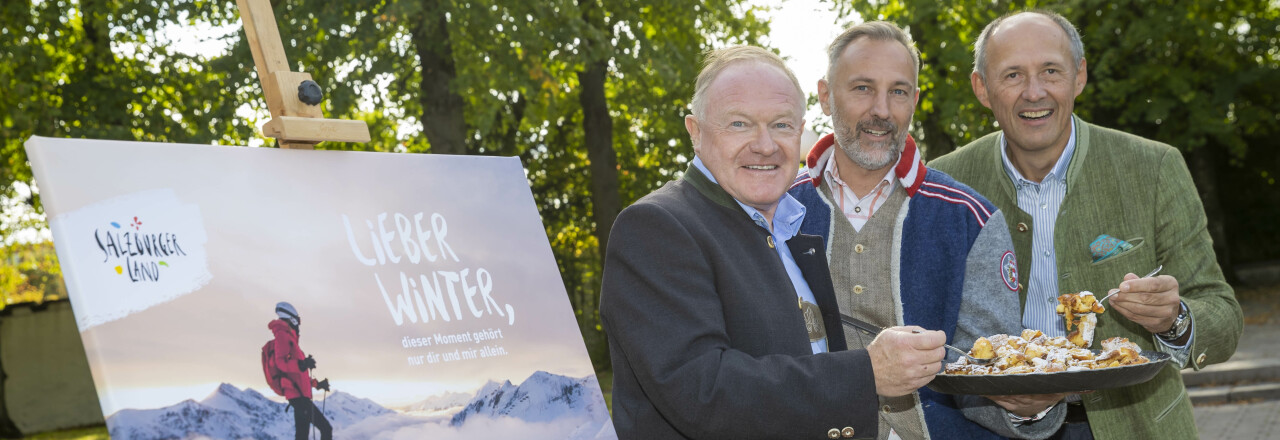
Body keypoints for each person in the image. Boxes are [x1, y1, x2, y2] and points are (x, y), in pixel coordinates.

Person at [599, 45, 949, 440]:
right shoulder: (657, 226)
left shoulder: (790, 231)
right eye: (739, 124)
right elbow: (701, 392)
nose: (765, 145)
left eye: (782, 125)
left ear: (801, 132)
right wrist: (868, 371)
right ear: (695, 133)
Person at [930, 10, 1243, 439]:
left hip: (1138, 426)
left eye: (1051, 71)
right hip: (996, 428)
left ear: (1079, 76)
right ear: (982, 88)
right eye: (1013, 75)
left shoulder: (1153, 167)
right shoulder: (946, 185)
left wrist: (1175, 319)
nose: (1034, 92)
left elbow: (1222, 315)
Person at [787, 21, 1059, 440]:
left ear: (914, 100)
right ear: (825, 96)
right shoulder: (773, 211)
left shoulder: (970, 219)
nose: (881, 109)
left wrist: (1027, 410)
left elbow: (988, 376)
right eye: (862, 88)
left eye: (897, 91)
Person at [267, 302, 333, 440]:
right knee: (326, 428)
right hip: (298, 396)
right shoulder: (282, 335)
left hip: (299, 394)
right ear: (291, 318)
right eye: (298, 319)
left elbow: (298, 375)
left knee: (302, 436)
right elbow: (281, 363)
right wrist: (302, 364)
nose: (298, 323)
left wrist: (317, 384)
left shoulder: (290, 339)